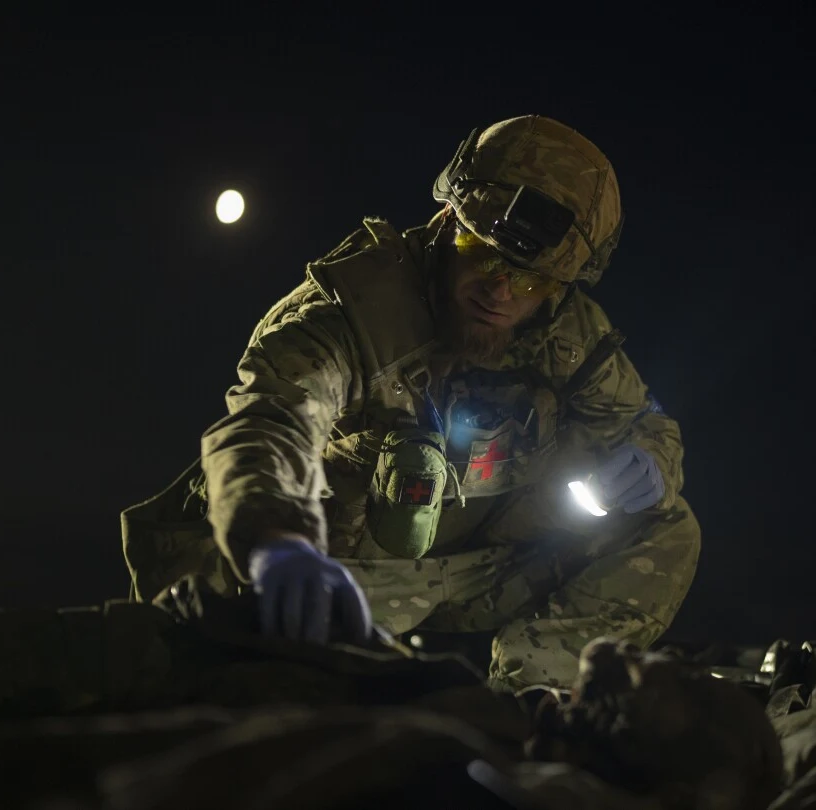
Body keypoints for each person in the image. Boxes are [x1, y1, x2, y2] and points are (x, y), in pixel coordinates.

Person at [122, 115, 701, 690]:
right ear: (449, 222)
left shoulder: (569, 335)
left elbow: (641, 422)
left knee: (666, 524)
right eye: (484, 254)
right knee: (210, 634)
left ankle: (533, 700)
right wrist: (277, 541)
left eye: (528, 280)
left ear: (558, 285)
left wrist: (652, 459)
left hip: (482, 570)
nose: (499, 291)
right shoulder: (353, 311)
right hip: (338, 577)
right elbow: (269, 424)